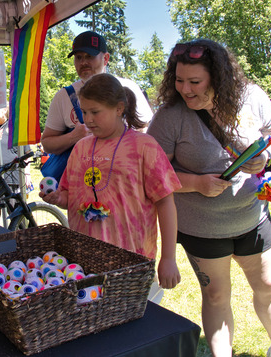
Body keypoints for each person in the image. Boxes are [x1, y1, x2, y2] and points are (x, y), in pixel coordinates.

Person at [147, 40, 271, 357]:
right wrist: (196, 183)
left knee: (268, 284)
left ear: (217, 77)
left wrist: (267, 153)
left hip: (252, 217)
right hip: (202, 228)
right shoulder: (169, 117)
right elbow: (153, 175)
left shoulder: (251, 97)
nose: (185, 89)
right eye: (179, 79)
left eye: (194, 81)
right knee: (216, 295)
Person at [40, 73, 181, 290]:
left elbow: (165, 201)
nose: (88, 119)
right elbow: (70, 197)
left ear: (118, 108)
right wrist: (59, 197)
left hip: (131, 261)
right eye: (84, 112)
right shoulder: (80, 148)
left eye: (95, 112)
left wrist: (169, 258)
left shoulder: (144, 146)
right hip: (84, 260)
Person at [40, 31, 153, 163]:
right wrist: (73, 137)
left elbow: (146, 130)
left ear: (105, 59)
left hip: (124, 175)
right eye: (78, 57)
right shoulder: (64, 96)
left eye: (89, 56)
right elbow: (47, 143)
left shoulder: (129, 87)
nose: (83, 62)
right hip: (81, 178)